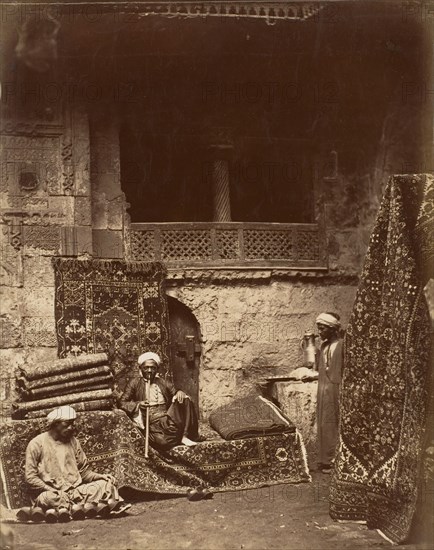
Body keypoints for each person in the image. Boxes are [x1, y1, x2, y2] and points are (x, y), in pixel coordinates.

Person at [24, 405, 130, 519]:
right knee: (46, 498)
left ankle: (70, 511)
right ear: (55, 424)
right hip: (53, 493)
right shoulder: (36, 443)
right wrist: (53, 490)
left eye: (72, 423)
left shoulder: (74, 442)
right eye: (67, 424)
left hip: (76, 492)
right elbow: (30, 478)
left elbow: (84, 472)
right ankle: (86, 509)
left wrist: (101, 476)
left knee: (106, 484)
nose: (71, 427)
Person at [119, 352, 200, 450]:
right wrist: (139, 404)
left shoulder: (163, 382)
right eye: (146, 368)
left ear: (157, 369)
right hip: (151, 421)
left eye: (153, 368)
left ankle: (184, 435)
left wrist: (179, 392)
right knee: (163, 442)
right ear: (140, 369)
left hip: (168, 417)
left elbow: (174, 392)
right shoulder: (134, 383)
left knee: (185, 399)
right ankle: (174, 436)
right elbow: (121, 402)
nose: (149, 371)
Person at [315, 312, 343, 474]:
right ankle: (324, 459)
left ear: (332, 329)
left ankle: (334, 459)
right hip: (323, 390)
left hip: (335, 389)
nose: (320, 332)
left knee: (333, 422)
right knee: (324, 423)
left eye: (322, 328)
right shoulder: (324, 346)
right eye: (318, 329)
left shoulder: (341, 345)